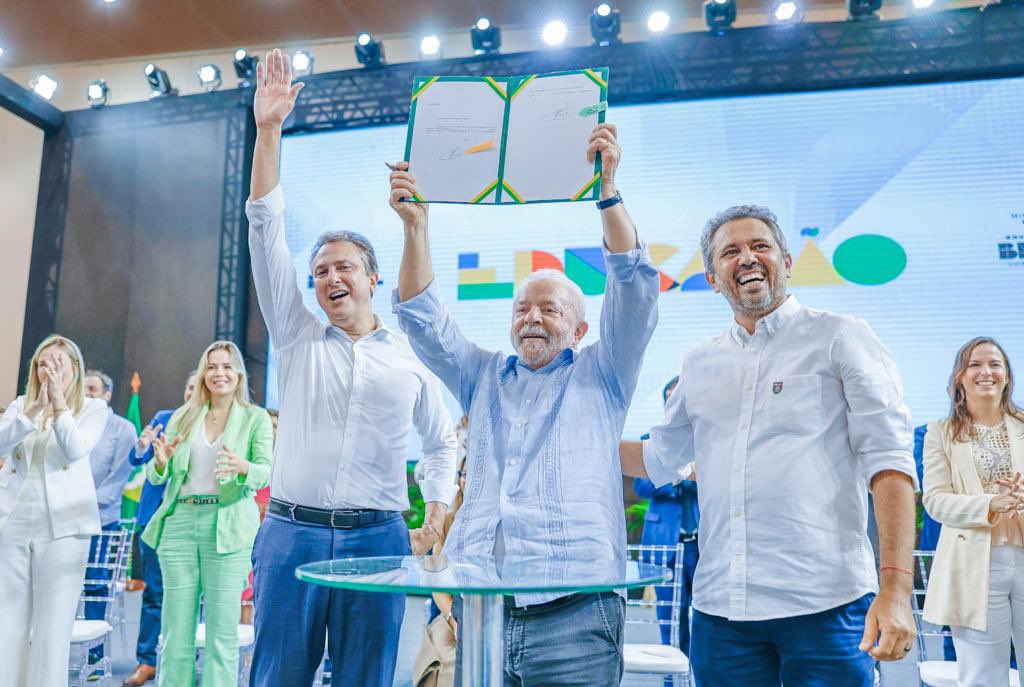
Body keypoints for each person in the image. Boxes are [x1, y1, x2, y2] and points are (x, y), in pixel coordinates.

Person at [390, 114, 660, 686]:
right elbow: (420, 318)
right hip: (479, 611)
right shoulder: (480, 374)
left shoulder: (604, 374)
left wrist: (607, 192)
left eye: (550, 308)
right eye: (522, 309)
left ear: (581, 329)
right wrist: (415, 227)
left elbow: (634, 287)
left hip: (577, 617)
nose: (533, 317)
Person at [620, 205, 918, 686]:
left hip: (827, 604)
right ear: (713, 278)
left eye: (760, 246)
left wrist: (897, 589)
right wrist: (575, 436)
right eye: (730, 252)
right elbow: (658, 459)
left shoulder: (841, 336)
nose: (747, 258)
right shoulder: (700, 362)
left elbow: (890, 463)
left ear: (787, 259)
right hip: (722, 614)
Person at [245, 49, 457, 687]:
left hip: (378, 541)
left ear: (371, 278)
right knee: (277, 677)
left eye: (343, 267)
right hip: (291, 538)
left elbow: (442, 441)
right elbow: (264, 226)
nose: (330, 277)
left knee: (365, 678)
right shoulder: (297, 333)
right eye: (319, 273)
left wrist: (439, 505)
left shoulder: (412, 353)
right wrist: (269, 131)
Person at [141, 341, 273, 687]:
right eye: (212, 367)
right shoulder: (184, 415)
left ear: (239, 373)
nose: (219, 373)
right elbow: (158, 476)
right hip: (180, 524)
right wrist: (160, 462)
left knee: (221, 634)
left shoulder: (254, 418)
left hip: (228, 526)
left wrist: (243, 467)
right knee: (175, 633)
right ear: (203, 374)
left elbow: (266, 472)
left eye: (227, 366)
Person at [0, 335, 107, 687]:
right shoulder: (20, 406)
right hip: (12, 521)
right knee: (7, 623)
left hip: (64, 527)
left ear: (75, 369)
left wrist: (59, 405)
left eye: (60, 363)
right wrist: (34, 409)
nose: (52, 369)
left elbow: (76, 450)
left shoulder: (93, 409)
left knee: (52, 627)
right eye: (44, 363)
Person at [921, 336, 1024, 687]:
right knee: (982, 678)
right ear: (959, 378)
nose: (986, 371)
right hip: (975, 566)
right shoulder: (940, 433)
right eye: (975, 364)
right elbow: (934, 500)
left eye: (995, 364)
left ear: (1007, 376)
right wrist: (989, 504)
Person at [121, 371, 196, 687]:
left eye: (198, 386)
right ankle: (147, 662)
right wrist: (140, 448)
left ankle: (185, 659)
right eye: (189, 386)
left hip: (193, 522)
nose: (193, 392)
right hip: (155, 521)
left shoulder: (218, 424)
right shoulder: (165, 418)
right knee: (154, 594)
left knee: (192, 596)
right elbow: (137, 459)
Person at [632, 375, 700, 656]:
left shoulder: (706, 439)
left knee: (711, 623)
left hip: (702, 545)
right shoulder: (650, 441)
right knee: (670, 624)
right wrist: (678, 475)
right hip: (666, 546)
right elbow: (642, 485)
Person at [81, 369, 138, 668]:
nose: (86, 393)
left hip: (101, 520)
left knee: (95, 585)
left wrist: (76, 500)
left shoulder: (123, 429)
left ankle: (95, 657)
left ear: (107, 394)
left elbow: (117, 480)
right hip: (64, 521)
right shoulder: (71, 423)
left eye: (92, 388)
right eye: (83, 388)